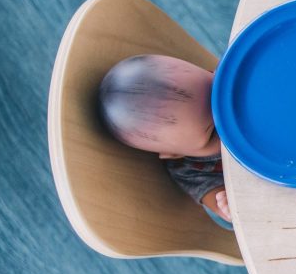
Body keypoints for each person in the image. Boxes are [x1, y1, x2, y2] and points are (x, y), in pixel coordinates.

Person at [97, 54, 230, 226]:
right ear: (174, 154)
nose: (230, 121)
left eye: (217, 92)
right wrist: (228, 206)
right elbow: (222, 208)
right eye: (213, 133)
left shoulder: (227, 74)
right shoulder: (189, 170)